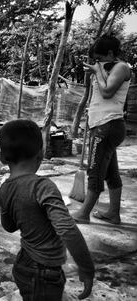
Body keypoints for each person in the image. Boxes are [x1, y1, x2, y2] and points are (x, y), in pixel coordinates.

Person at [0, 119, 94, 300]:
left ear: (2, 157)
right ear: (40, 154)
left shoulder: (5, 188)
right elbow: (67, 229)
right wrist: (87, 268)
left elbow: (9, 226)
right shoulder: (43, 186)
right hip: (44, 272)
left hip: (24, 264)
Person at [72, 35, 131, 225]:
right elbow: (96, 95)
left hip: (108, 125)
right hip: (101, 125)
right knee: (111, 173)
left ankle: (83, 214)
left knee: (95, 171)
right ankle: (113, 213)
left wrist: (97, 72)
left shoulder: (122, 67)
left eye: (99, 58)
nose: (97, 62)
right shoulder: (105, 69)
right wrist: (94, 74)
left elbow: (107, 93)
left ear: (111, 53)